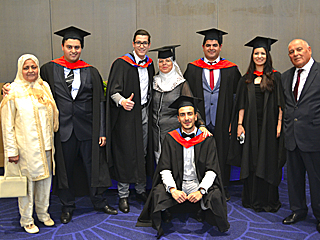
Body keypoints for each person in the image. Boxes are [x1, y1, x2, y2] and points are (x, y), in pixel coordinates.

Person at [2, 26, 118, 224]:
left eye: (77, 47)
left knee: (94, 168)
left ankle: (98, 201)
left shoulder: (90, 71)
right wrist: (8, 88)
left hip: (88, 129)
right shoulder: (48, 69)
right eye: (70, 46)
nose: (73, 51)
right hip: (61, 130)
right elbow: (30, 84)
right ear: (62, 46)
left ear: (81, 48)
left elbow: (100, 102)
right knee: (65, 169)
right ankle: (67, 205)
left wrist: (102, 131)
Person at [136, 95, 229, 238]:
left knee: (215, 194)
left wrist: (201, 190)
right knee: (158, 192)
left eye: (190, 114)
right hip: (178, 183)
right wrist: (173, 189)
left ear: (196, 116)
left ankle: (203, 209)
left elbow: (212, 170)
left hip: (198, 183)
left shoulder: (207, 139)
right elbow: (165, 168)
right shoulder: (170, 138)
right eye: (182, 115)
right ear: (178, 118)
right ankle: (166, 210)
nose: (187, 118)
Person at [1, 54, 59, 233]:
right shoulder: (13, 91)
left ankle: (43, 213)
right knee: (26, 186)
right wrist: (11, 150)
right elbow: (7, 124)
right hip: (25, 149)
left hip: (46, 146)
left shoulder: (44, 86)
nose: (30, 71)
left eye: (33, 67)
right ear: (20, 69)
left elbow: (53, 110)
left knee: (44, 182)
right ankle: (26, 219)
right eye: (26, 68)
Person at [228, 37, 285, 212]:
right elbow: (241, 105)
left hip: (269, 126)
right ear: (252, 56)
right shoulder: (246, 79)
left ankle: (268, 201)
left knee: (268, 159)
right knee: (252, 160)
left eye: (262, 53)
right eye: (256, 53)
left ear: (267, 56)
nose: (259, 56)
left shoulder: (275, 77)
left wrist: (279, 125)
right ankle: (252, 199)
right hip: (251, 126)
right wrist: (239, 124)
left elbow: (281, 104)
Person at [184, 28, 241, 200]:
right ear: (203, 47)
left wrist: (234, 121)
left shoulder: (231, 69)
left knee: (222, 154)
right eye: (208, 45)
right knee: (200, 154)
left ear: (220, 47)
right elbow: (187, 95)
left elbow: (237, 98)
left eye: (214, 45)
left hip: (222, 120)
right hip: (200, 121)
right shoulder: (193, 68)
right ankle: (200, 187)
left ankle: (222, 187)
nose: (211, 48)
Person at [106, 29, 155, 213]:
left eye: (145, 43)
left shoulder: (149, 65)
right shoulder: (122, 63)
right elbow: (112, 90)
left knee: (142, 152)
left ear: (149, 45)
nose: (142, 46)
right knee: (125, 153)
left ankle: (141, 190)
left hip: (144, 113)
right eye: (138, 42)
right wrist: (122, 101)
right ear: (133, 44)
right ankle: (123, 195)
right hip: (126, 116)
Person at [281, 39, 320, 233]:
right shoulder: (285, 76)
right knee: (294, 178)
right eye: (291, 52)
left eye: (299, 49)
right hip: (292, 136)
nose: (295, 54)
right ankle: (298, 210)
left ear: (309, 50)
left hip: (314, 136)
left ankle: (319, 215)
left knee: (317, 179)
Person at [149, 45, 210, 163]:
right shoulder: (153, 82)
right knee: (160, 164)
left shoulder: (180, 83)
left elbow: (190, 105)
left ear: (173, 63)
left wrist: (201, 124)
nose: (164, 64)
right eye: (161, 61)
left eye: (167, 61)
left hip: (174, 132)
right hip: (155, 133)